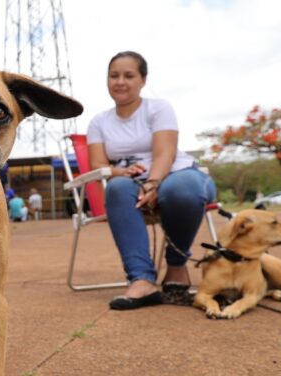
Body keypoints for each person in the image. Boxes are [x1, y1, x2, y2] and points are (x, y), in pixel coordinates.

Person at [86, 50, 216, 310]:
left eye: (129, 75)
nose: (120, 81)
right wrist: (120, 172)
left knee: (180, 190)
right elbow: (99, 164)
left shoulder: (159, 108)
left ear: (143, 80)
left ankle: (177, 267)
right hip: (131, 180)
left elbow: (165, 153)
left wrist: (154, 182)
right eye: (114, 76)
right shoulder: (98, 122)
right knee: (117, 188)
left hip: (177, 172)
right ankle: (142, 279)